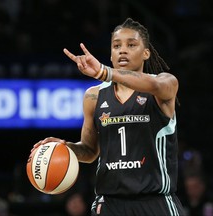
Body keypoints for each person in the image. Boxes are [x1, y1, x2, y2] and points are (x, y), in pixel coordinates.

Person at [32, 17, 185, 215]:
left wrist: (106, 72)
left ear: (146, 53)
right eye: (116, 45)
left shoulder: (165, 83)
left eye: (131, 45)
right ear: (111, 55)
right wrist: (64, 149)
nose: (123, 50)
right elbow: (89, 151)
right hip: (110, 202)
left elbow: (156, 85)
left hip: (154, 201)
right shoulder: (93, 96)